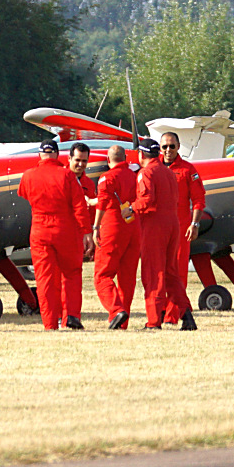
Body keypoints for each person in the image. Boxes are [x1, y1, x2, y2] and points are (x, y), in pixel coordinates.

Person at [16, 138, 94, 330]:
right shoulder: (67, 175)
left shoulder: (28, 175)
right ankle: (72, 317)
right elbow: (79, 206)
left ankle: (50, 323)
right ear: (58, 155)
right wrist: (87, 232)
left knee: (44, 279)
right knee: (71, 274)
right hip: (65, 230)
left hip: (39, 231)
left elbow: (24, 194)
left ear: (40, 155)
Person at [132, 139, 191, 330]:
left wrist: (130, 209)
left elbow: (146, 200)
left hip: (154, 225)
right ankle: (186, 313)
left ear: (141, 155)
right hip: (173, 224)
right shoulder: (168, 172)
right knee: (171, 273)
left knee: (153, 273)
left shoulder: (146, 173)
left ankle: (153, 321)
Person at [158, 132, 205, 331]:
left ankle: (173, 314)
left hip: (180, 228)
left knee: (177, 271)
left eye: (172, 146)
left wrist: (194, 224)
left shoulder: (188, 170)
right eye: (164, 147)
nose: (168, 150)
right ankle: (157, 312)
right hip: (157, 228)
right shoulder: (152, 168)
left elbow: (198, 199)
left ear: (178, 147)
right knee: (157, 272)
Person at [93, 144, 141, 329]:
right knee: (127, 278)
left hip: (112, 226)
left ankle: (116, 310)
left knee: (102, 275)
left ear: (108, 160)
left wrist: (96, 226)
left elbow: (102, 204)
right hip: (133, 227)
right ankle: (123, 322)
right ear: (125, 159)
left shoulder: (107, 177)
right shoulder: (135, 176)